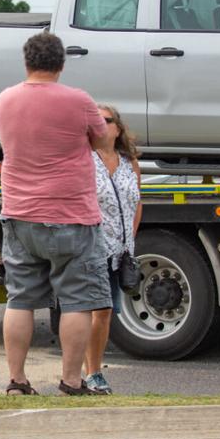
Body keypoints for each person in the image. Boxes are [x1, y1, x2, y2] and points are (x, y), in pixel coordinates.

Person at [0, 31, 110, 396]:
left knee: (20, 298)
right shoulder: (78, 100)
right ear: (61, 64)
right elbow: (103, 139)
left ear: (26, 62)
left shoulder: (5, 100)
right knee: (76, 301)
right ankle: (72, 380)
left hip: (19, 213)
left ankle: (17, 379)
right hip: (71, 213)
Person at [84, 103, 142, 395]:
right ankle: (90, 373)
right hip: (93, 247)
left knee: (106, 313)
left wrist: (130, 236)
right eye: (93, 121)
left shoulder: (129, 162)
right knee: (97, 308)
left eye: (105, 120)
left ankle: (92, 370)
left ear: (117, 128)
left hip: (121, 251)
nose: (99, 125)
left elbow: (138, 201)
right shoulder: (83, 159)